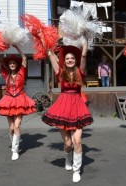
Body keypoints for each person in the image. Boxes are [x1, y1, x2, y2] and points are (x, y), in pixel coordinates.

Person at [41, 34, 93, 183]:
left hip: (77, 106)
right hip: (62, 106)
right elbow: (50, 53)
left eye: (72, 58)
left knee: (77, 141)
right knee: (68, 143)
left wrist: (86, 38)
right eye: (68, 58)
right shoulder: (60, 71)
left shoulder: (80, 71)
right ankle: (68, 159)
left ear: (75, 61)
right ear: (65, 60)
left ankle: (76, 170)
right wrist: (42, 37)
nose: (70, 60)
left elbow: (83, 54)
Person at [0, 45, 36, 161]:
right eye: (10, 63)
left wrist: (16, 46)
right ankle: (13, 143)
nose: (12, 65)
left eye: (14, 63)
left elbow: (25, 58)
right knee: (11, 128)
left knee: (17, 126)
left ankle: (15, 150)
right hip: (9, 101)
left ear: (17, 65)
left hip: (20, 100)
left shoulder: (22, 72)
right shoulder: (6, 74)